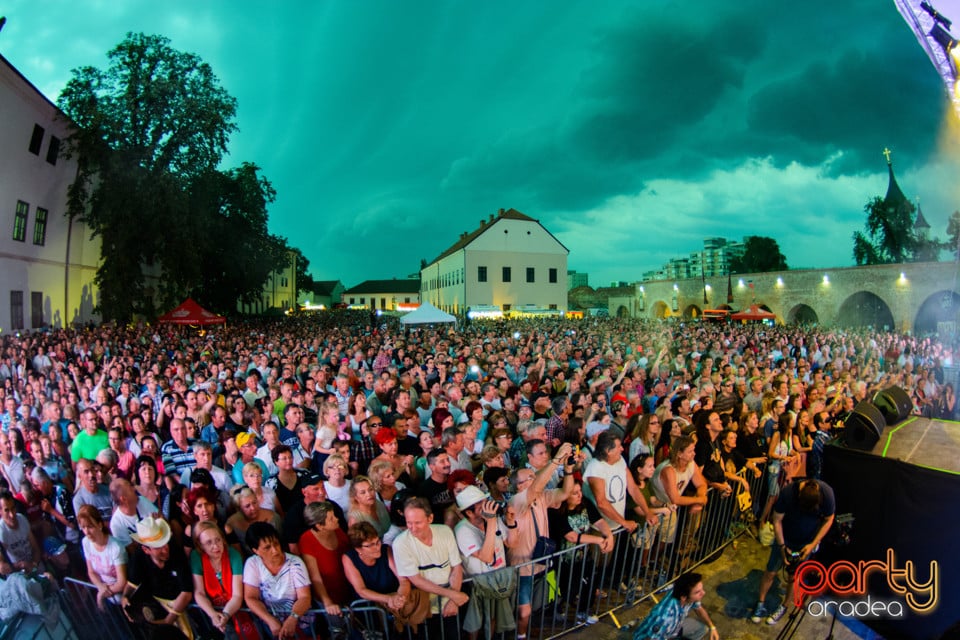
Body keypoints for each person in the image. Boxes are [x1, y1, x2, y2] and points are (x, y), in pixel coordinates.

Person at [751, 479, 835, 625]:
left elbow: (829, 519)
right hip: (785, 538)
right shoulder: (788, 493)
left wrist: (812, 544)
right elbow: (777, 520)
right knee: (770, 572)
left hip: (805, 543)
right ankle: (760, 603)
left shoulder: (827, 494)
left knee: (794, 576)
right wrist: (783, 547)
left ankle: (785, 606)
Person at [392, 497, 469, 635]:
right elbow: (416, 579)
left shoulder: (445, 531)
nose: (413, 528)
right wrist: (453, 595)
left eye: (418, 523)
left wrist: (453, 601)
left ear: (430, 518)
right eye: (409, 523)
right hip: (423, 608)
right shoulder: (400, 543)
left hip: (450, 603)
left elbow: (456, 567)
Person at [122, 516, 194, 640]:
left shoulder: (175, 551)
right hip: (155, 607)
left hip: (179, 606)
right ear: (146, 549)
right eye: (158, 547)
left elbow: (186, 592)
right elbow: (132, 584)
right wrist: (124, 597)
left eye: (165, 544)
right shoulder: (138, 557)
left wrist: (169, 620)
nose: (165, 549)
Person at [243, 521, 314, 640]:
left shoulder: (295, 563)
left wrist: (293, 618)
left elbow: (305, 597)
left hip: (301, 622)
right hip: (270, 623)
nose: (275, 550)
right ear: (256, 550)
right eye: (267, 548)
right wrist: (270, 620)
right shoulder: (252, 564)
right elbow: (250, 597)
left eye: (276, 544)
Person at [299, 502, 350, 637]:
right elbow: (315, 577)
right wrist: (327, 601)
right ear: (319, 526)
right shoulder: (307, 540)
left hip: (347, 588)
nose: (337, 519)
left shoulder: (337, 530)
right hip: (328, 595)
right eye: (331, 518)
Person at [190, 521, 247, 640]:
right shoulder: (196, 556)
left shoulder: (234, 555)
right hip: (210, 610)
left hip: (234, 609)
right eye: (209, 543)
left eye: (218, 540)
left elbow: (237, 595)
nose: (215, 546)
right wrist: (213, 615)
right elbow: (199, 592)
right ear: (200, 546)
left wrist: (225, 615)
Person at [632, 571, 719, 640]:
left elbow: (699, 609)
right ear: (683, 598)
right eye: (697, 592)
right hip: (658, 635)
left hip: (674, 629)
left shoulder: (687, 595)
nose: (703, 593)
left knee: (703, 629)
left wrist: (712, 627)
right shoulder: (665, 618)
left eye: (701, 589)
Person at [78, 504, 128, 610]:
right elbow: (91, 572)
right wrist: (101, 588)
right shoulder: (85, 542)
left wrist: (102, 594)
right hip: (105, 589)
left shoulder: (115, 547)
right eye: (83, 527)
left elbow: (121, 582)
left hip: (122, 594)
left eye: (90, 527)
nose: (86, 532)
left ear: (99, 525)